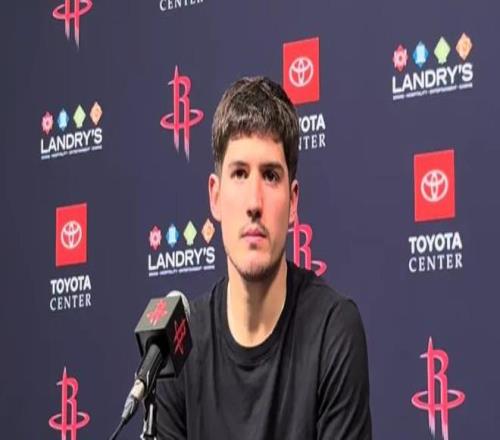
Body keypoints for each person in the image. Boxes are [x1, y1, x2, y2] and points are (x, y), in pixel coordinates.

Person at [156, 76, 372, 439]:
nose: (254, 203)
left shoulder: (332, 330)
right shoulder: (180, 343)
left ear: (293, 201)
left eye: (270, 176)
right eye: (239, 174)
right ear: (215, 196)